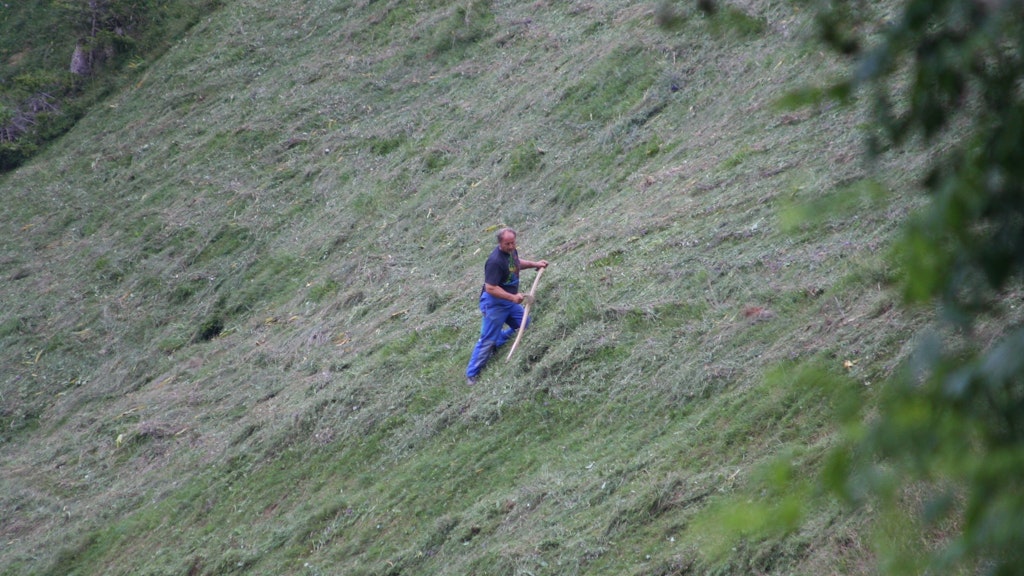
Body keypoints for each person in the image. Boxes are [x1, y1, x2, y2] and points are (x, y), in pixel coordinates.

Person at [465, 228, 548, 385]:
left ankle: (498, 342)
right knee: (487, 339)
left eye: (513, 243)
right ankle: (472, 374)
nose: (511, 246)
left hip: (509, 302)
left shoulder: (512, 252)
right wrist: (512, 297)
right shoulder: (494, 262)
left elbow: (516, 264)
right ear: (500, 243)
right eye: (507, 244)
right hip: (494, 304)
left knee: (524, 323)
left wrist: (535, 264)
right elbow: (490, 288)